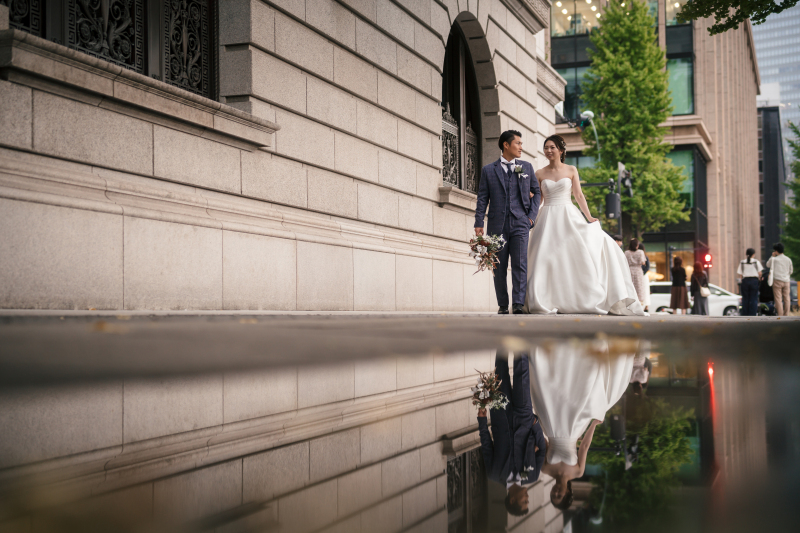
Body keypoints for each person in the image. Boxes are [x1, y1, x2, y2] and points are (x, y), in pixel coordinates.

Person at [523, 135, 645, 315]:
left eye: (552, 147)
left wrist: (589, 216)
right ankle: (545, 298)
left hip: (568, 214)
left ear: (561, 150)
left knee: (576, 253)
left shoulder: (571, 169)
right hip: (547, 216)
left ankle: (578, 296)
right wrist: (530, 217)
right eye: (546, 147)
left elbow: (579, 196)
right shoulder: (539, 173)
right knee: (545, 257)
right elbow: (539, 199)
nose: (548, 151)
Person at [529, 340, 637, 511]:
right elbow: (585, 447)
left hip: (551, 425)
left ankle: (552, 353)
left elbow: (542, 444)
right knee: (580, 392)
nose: (556, 493)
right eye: (559, 496)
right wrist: (593, 424)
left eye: (553, 495)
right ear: (567, 493)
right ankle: (583, 353)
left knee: (551, 390)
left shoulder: (545, 469)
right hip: (574, 428)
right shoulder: (577, 472)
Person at [474, 131, 541, 314]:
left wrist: (530, 218)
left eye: (521, 143)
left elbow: (537, 193)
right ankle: (503, 305)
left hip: (521, 222)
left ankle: (518, 304)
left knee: (520, 264)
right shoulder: (489, 170)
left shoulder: (526, 167)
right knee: (498, 265)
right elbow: (482, 198)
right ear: (506, 145)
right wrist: (478, 221)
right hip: (497, 224)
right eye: (518, 143)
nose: (521, 147)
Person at [477, 352, 546, 517]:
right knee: (522, 372)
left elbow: (487, 445)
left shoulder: (494, 474)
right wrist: (535, 425)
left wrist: (482, 421)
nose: (527, 497)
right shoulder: (531, 475)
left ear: (512, 500)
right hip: (524, 417)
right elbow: (542, 450)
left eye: (525, 501)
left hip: (501, 415)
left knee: (500, 370)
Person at [767, 242, 794, 316]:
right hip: (786, 281)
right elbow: (791, 271)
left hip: (777, 281)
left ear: (776, 251)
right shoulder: (788, 259)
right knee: (787, 298)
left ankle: (780, 315)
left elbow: (767, 265)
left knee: (778, 299)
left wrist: (772, 256)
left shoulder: (774, 259)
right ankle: (786, 314)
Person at [737, 248, 762, 316]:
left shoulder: (742, 262)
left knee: (745, 298)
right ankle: (752, 314)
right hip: (754, 281)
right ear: (753, 254)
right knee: (753, 298)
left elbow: (740, 274)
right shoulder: (756, 262)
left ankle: (745, 313)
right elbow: (760, 273)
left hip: (745, 281)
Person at [624, 238, 648, 307]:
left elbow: (625, 262)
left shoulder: (626, 252)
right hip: (638, 270)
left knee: (630, 286)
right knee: (639, 287)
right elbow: (643, 262)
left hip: (629, 270)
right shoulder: (640, 252)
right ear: (637, 245)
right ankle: (639, 303)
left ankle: (630, 303)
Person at [638, 242, 652, 312]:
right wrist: (644, 272)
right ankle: (646, 306)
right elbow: (648, 267)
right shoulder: (645, 256)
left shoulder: (640, 256)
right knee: (646, 290)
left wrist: (641, 273)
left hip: (639, 275)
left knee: (640, 290)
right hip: (644, 275)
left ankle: (642, 305)